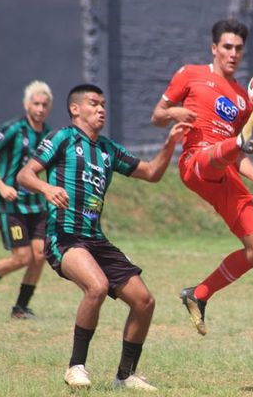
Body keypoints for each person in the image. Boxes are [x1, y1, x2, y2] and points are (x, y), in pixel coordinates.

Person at [17, 84, 188, 390]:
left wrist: (171, 143)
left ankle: (125, 375)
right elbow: (25, 175)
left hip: (95, 239)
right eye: (94, 104)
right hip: (64, 235)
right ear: (75, 109)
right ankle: (76, 367)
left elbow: (151, 173)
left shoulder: (108, 149)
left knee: (144, 301)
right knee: (96, 286)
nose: (101, 110)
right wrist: (47, 188)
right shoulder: (62, 138)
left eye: (103, 105)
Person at [150, 18, 253, 336]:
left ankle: (199, 295)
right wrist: (174, 112)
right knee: (215, 155)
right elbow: (157, 116)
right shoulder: (190, 74)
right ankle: (238, 141)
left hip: (226, 170)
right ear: (214, 48)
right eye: (227, 47)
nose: (233, 53)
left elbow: (239, 155)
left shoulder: (243, 98)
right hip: (196, 162)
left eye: (239, 48)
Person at [0, 80, 53, 319]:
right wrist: (1, 185)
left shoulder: (48, 134)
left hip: (36, 205)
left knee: (41, 255)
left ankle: (20, 308)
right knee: (22, 257)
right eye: (36, 103)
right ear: (26, 104)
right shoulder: (13, 128)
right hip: (11, 205)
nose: (40, 108)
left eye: (44, 105)